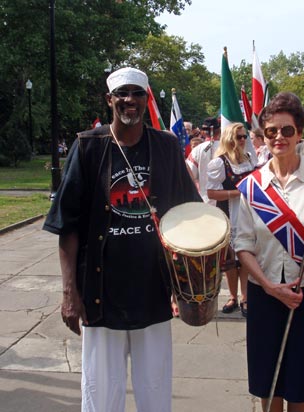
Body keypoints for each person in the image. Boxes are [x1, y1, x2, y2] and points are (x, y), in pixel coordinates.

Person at [43, 67, 201, 412]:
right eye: (122, 94)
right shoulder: (88, 147)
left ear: (147, 99)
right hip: (100, 295)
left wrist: (199, 276)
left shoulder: (166, 146)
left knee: (156, 394)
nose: (130, 100)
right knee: (101, 397)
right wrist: (70, 293)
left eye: (137, 94)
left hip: (154, 292)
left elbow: (190, 213)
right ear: (110, 99)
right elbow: (67, 227)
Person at [234, 92, 304, 412]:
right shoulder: (251, 186)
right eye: (272, 130)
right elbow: (243, 245)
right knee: (267, 383)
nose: (279, 137)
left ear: (300, 133)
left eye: (287, 130)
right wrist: (269, 286)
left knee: (300, 386)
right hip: (265, 292)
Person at [206, 122, 255, 317]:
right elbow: (211, 193)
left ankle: (245, 297)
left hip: (248, 214)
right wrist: (237, 193)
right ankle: (233, 296)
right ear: (229, 139)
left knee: (245, 257)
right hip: (228, 213)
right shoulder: (219, 163)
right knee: (229, 261)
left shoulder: (250, 159)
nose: (243, 140)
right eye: (239, 137)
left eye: (245, 136)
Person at [186, 116, 221, 204]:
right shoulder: (228, 148)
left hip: (205, 199)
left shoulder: (197, 150)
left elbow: (190, 175)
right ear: (219, 130)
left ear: (203, 132)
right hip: (226, 199)